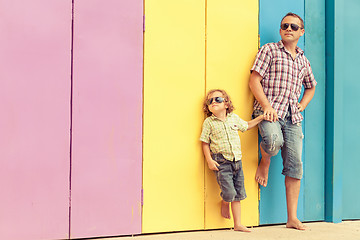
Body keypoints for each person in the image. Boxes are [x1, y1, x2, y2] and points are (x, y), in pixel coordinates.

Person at [249, 12, 317, 230]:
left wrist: (302, 105)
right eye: (285, 25)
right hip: (269, 112)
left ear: (301, 32)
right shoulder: (269, 50)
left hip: (292, 118)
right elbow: (254, 80)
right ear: (280, 29)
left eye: (294, 27)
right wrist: (266, 106)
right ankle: (266, 159)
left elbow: (311, 86)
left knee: (295, 165)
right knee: (272, 142)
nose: (288, 29)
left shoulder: (304, 61)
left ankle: (292, 218)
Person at [200, 89, 264, 232]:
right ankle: (225, 201)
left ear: (227, 104)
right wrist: (209, 160)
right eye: (210, 101)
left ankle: (238, 224)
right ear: (208, 108)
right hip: (221, 162)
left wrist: (260, 118)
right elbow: (204, 142)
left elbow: (246, 126)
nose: (213, 102)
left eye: (218, 99)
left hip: (237, 161)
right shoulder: (209, 122)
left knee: (238, 193)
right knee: (229, 192)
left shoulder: (233, 118)